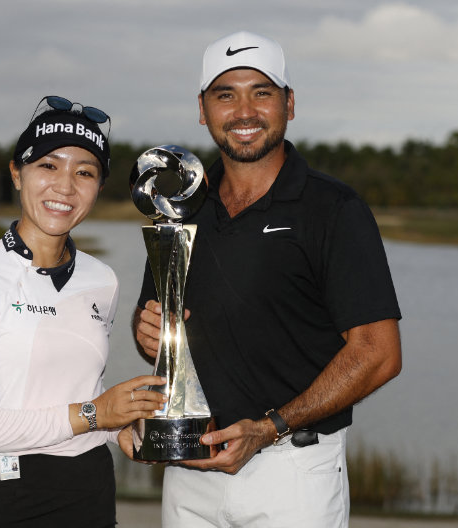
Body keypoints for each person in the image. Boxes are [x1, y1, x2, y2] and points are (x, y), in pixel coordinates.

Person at [133, 32, 403, 527]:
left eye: (261, 92)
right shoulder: (181, 206)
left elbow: (378, 353)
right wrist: (145, 330)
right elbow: (156, 322)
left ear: (289, 103)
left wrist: (269, 427)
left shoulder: (334, 209)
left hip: (293, 472)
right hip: (190, 470)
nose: (244, 111)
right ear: (202, 108)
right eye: (225, 94)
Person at [0, 95, 167, 528]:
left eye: (85, 172)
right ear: (16, 173)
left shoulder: (103, 279)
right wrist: (95, 414)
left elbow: (77, 393)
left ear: (99, 188)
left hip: (93, 488)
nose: (65, 186)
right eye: (49, 165)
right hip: (13, 497)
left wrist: (120, 426)